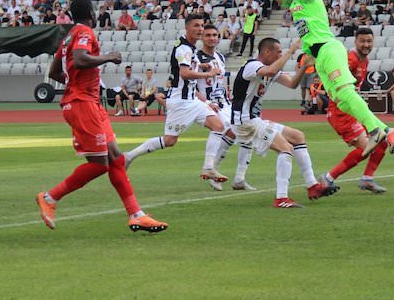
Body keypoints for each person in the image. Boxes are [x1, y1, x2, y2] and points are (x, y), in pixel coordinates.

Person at [235, 0, 394, 156]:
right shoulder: (296, 0)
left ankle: (375, 130)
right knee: (340, 99)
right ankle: (386, 130)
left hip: (328, 48)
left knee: (345, 92)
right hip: (319, 55)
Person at [35, 0, 167, 234]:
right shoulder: (85, 31)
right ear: (91, 13)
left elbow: (55, 70)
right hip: (82, 104)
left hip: (89, 103)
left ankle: (136, 215)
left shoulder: (67, 35)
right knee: (99, 165)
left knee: (116, 158)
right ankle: (49, 197)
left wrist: (74, 81)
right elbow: (81, 58)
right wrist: (109, 57)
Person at [124, 14, 230, 188]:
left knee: (218, 126)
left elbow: (188, 66)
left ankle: (209, 167)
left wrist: (202, 66)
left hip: (192, 101)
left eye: (202, 25)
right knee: (169, 141)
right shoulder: (184, 49)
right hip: (181, 102)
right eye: (196, 25)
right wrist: (207, 73)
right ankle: (129, 156)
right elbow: (185, 73)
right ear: (187, 28)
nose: (200, 29)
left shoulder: (189, 47)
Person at [232, 37, 336, 207]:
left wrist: (304, 66)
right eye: (278, 52)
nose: (281, 55)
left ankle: (312, 186)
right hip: (245, 123)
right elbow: (271, 71)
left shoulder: (270, 70)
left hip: (253, 120)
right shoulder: (252, 66)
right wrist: (291, 51)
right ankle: (281, 198)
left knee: (297, 136)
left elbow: (293, 84)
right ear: (267, 52)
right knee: (286, 149)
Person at [316, 28, 393, 194]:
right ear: (355, 42)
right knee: (367, 147)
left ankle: (367, 179)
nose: (366, 45)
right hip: (341, 112)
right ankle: (328, 178)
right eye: (362, 41)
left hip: (353, 111)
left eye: (369, 41)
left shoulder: (364, 60)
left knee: (382, 140)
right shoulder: (350, 60)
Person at [198, 25, 255, 191]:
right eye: (208, 35)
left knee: (247, 134)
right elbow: (191, 85)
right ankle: (211, 169)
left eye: (215, 35)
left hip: (224, 103)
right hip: (207, 103)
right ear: (202, 37)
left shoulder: (220, 57)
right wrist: (206, 102)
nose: (212, 38)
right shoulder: (196, 58)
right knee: (226, 130)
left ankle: (239, 178)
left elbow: (221, 83)